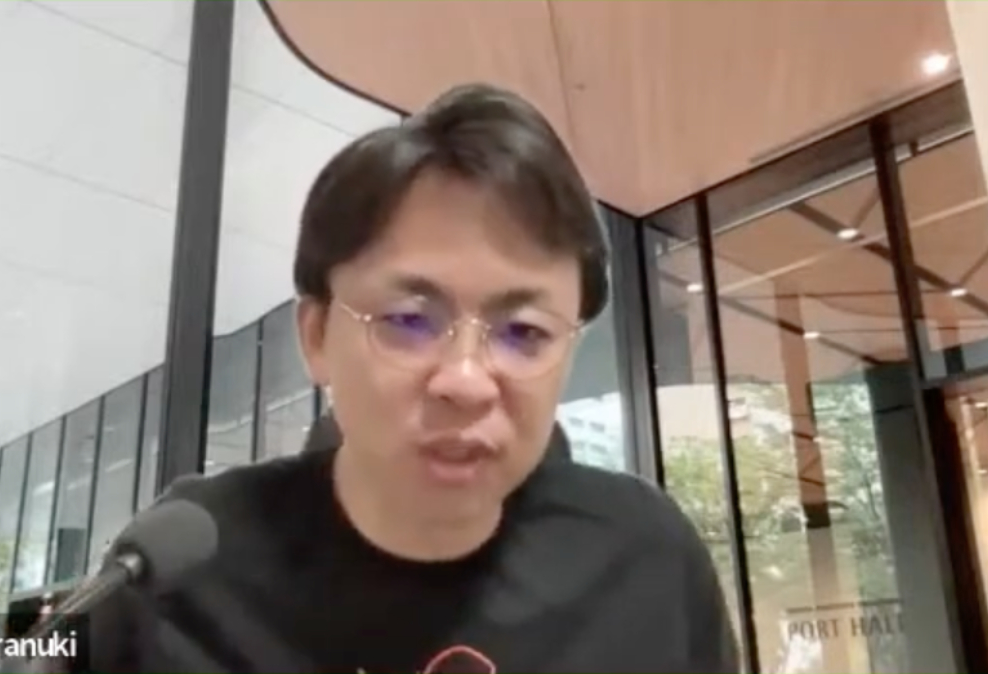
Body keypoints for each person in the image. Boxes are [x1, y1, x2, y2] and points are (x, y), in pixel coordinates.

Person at [82, 83, 738, 673]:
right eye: (409, 320)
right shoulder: (181, 575)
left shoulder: (647, 561)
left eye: (524, 333)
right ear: (316, 335)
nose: (466, 381)